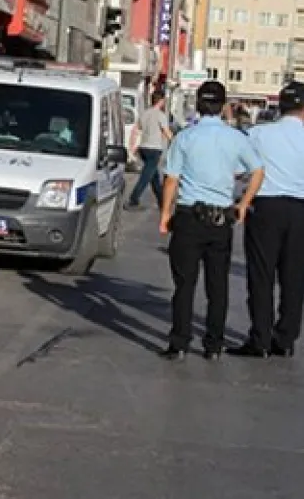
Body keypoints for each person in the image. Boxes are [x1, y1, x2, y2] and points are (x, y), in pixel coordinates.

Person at [158, 80, 265, 361]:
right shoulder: (236, 138)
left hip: (189, 217)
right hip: (221, 220)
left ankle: (179, 343)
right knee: (217, 287)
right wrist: (243, 204)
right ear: (223, 106)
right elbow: (257, 170)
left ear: (198, 104)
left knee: (184, 285)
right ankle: (213, 345)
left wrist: (165, 215)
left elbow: (171, 179)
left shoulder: (185, 137)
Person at [228, 82, 304, 359]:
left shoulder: (258, 134)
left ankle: (259, 338)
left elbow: (239, 170)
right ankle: (285, 338)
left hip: (266, 207)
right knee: (294, 277)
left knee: (261, 275)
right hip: (300, 210)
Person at [125, 90, 173, 210]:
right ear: (161, 101)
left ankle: (162, 201)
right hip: (154, 149)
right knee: (146, 176)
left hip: (144, 148)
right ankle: (134, 198)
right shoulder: (161, 115)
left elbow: (136, 131)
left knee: (154, 176)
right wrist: (175, 142)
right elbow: (166, 132)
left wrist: (132, 148)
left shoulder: (145, 114)